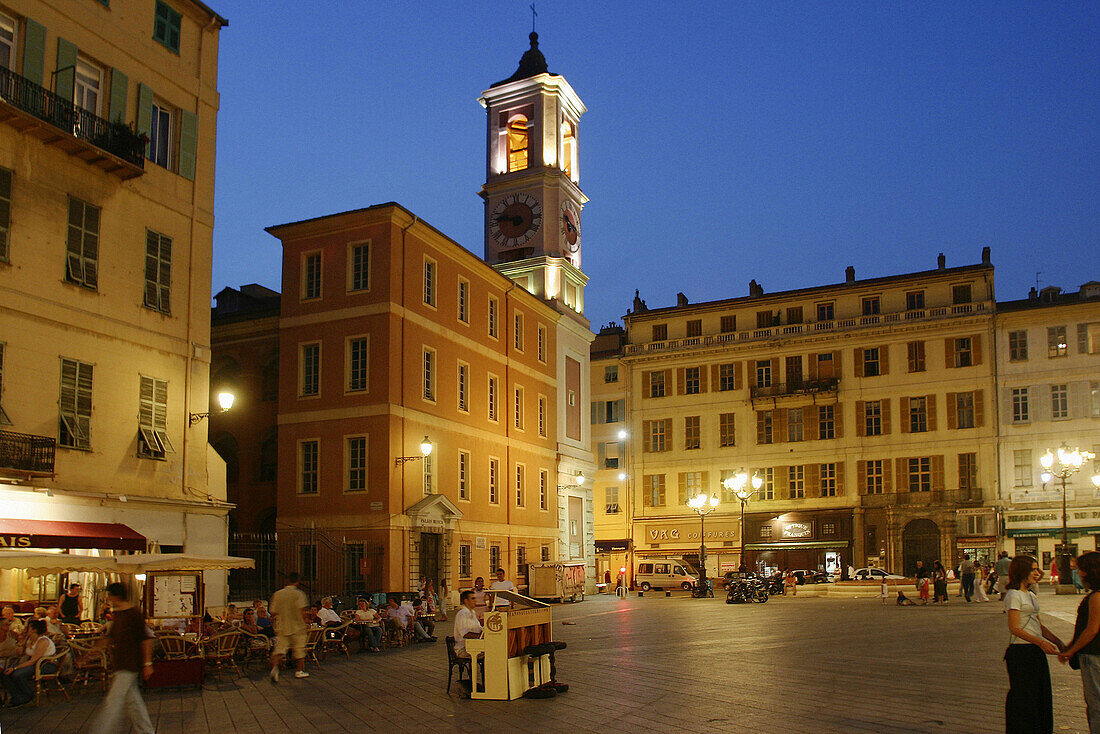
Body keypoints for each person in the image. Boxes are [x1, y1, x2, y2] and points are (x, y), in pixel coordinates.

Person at [1005, 555, 1064, 734]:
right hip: (1021, 650)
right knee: (1025, 698)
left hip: (1034, 649)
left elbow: (1037, 623)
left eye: (1037, 569)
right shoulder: (1014, 595)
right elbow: (1014, 628)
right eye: (1033, 569)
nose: (1037, 573)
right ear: (1022, 571)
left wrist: (1057, 641)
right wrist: (1041, 642)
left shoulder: (1030, 594)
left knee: (1041, 695)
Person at [85, 582, 155, 733]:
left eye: (109, 596)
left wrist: (147, 663)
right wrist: (93, 651)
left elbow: (146, 639)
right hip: (121, 663)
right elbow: (110, 637)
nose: (108, 599)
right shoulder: (119, 614)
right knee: (134, 703)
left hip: (128, 664)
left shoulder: (133, 614)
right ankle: (146, 731)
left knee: (113, 702)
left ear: (115, 596)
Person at [1059, 552, 1100, 731]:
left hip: (1094, 655)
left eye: (1079, 569)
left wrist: (1071, 650)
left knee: (1096, 703)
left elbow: (1091, 630)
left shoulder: (1097, 597)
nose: (1077, 572)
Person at [1, 619, 56, 708]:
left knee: (17, 674)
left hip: (44, 664)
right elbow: (20, 653)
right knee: (5, 673)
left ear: (34, 630)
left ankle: (28, 696)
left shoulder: (42, 641)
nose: (25, 629)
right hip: (32, 663)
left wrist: (15, 668)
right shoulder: (29, 640)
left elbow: (33, 660)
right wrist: (21, 642)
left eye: (28, 627)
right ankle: (17, 697)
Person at [269, 571, 310, 682]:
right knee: (299, 649)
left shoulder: (278, 594)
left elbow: (273, 612)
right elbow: (302, 610)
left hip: (283, 626)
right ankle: (299, 671)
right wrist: (306, 621)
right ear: (298, 581)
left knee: (280, 649)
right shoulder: (299, 594)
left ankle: (274, 668)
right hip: (297, 626)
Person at [453, 590, 482, 659]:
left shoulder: (473, 613)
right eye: (472, 599)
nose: (475, 601)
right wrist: (480, 636)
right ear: (466, 601)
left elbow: (479, 628)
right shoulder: (462, 614)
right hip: (463, 648)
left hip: (474, 646)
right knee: (489, 653)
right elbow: (465, 634)